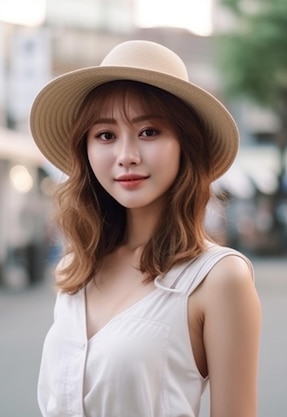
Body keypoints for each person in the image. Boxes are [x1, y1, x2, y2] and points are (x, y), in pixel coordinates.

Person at [30, 40, 261, 417]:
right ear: (85, 150)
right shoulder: (77, 267)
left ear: (185, 146)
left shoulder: (218, 279)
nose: (127, 156)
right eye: (105, 135)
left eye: (149, 132)